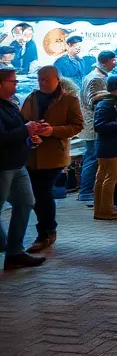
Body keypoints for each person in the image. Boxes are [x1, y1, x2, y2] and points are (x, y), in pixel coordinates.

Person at [19, 66, 83, 253]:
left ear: (57, 79)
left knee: (43, 193)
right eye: (39, 79)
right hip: (31, 154)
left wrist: (52, 131)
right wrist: (30, 134)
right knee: (35, 195)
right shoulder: (31, 98)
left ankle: (46, 231)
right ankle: (45, 229)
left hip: (54, 155)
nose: (42, 83)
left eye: (46, 79)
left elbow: (77, 125)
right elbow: (22, 121)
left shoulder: (69, 100)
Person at [0, 67, 50, 269]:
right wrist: (25, 129)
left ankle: (14, 252)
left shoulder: (9, 105)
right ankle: (7, 246)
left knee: (26, 202)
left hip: (18, 164)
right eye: (13, 81)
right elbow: (3, 137)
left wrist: (31, 136)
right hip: (2, 165)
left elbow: (17, 132)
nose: (16, 85)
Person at [76, 50, 117, 208]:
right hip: (93, 124)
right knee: (92, 158)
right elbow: (93, 100)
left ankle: (87, 191)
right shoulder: (96, 78)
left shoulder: (97, 76)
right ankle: (86, 192)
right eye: (113, 60)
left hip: (94, 123)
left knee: (91, 157)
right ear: (105, 61)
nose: (115, 63)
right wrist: (112, 97)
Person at [92, 75, 117, 221]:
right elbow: (99, 126)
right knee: (109, 179)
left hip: (112, 145)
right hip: (112, 147)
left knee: (103, 178)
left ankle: (101, 209)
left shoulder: (111, 103)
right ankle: (105, 210)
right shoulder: (107, 104)